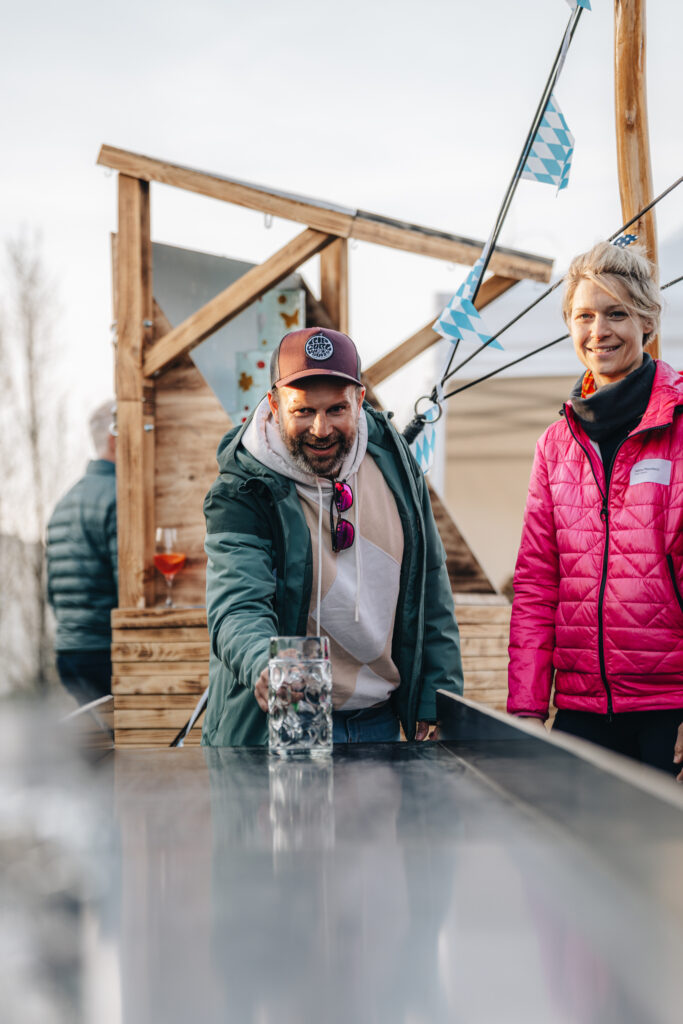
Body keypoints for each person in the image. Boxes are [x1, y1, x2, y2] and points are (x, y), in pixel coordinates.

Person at [202, 326, 463, 746]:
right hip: (288, 712)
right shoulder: (242, 488)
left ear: (359, 401)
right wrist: (262, 664)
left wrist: (434, 701)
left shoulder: (395, 463)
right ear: (273, 404)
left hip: (378, 719)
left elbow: (431, 588)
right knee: (299, 813)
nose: (321, 429)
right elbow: (237, 606)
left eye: (336, 410)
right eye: (303, 411)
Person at [508, 241, 683, 779]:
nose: (598, 331)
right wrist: (527, 709)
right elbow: (538, 584)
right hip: (580, 709)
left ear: (648, 321)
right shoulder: (555, 444)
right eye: (584, 315)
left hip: (668, 712)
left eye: (616, 313)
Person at [47, 400, 118, 705]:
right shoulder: (117, 497)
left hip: (68, 653)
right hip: (106, 653)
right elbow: (126, 587)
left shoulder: (64, 501)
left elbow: (52, 591)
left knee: (94, 750)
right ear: (116, 438)